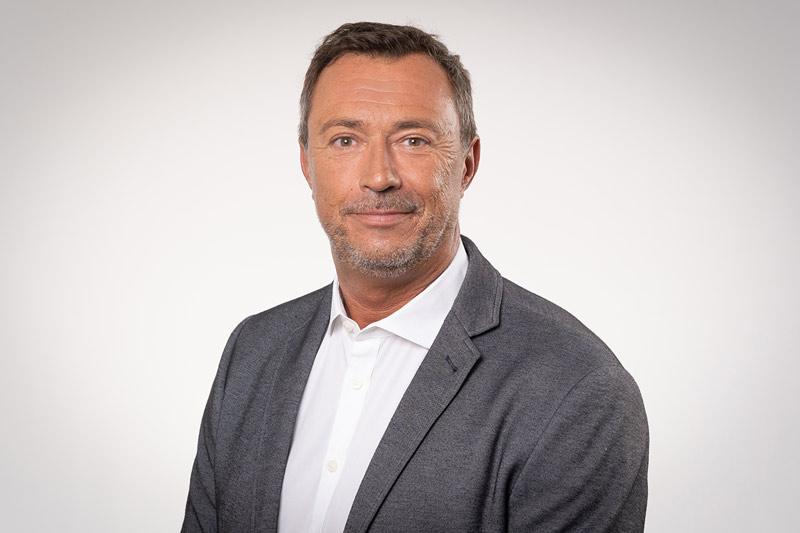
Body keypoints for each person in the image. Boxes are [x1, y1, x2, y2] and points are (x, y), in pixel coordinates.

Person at [182, 21, 648, 533]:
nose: (379, 177)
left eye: (413, 140)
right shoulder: (252, 351)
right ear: (307, 165)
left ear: (467, 164)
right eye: (345, 140)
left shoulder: (576, 390)